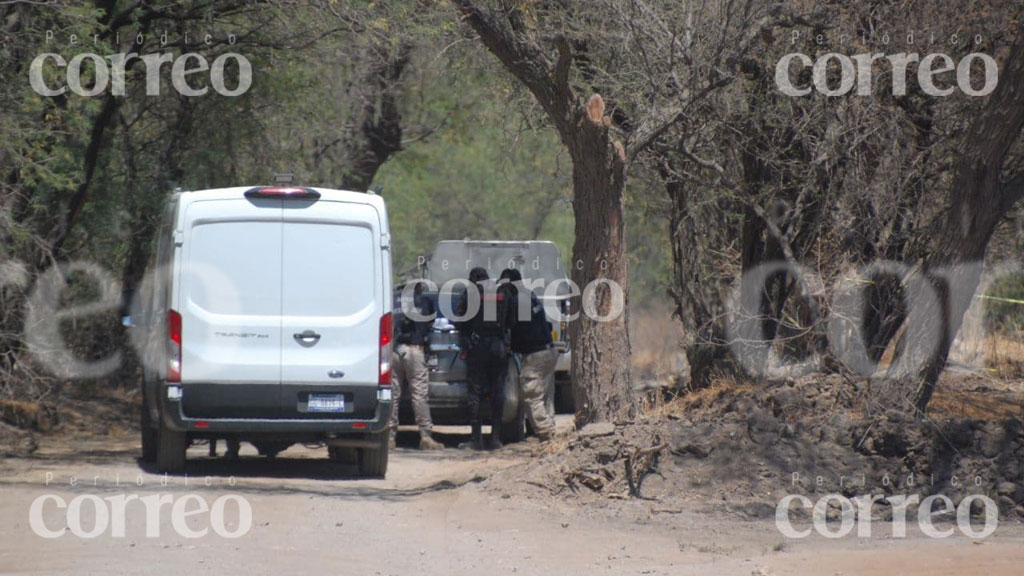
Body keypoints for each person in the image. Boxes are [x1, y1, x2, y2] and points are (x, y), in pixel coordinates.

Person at [456, 267, 515, 450]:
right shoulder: (503, 292)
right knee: (498, 391)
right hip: (499, 347)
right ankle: (495, 438)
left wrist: (467, 336)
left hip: (478, 347)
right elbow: (511, 321)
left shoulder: (471, 293)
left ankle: (476, 439)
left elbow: (460, 320)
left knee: (475, 392)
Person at [501, 268, 558, 442]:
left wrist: (509, 343)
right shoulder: (530, 296)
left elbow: (518, 330)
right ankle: (550, 432)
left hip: (536, 355)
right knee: (545, 395)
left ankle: (546, 434)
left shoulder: (518, 302)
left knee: (531, 394)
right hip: (548, 351)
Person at [390, 281, 444, 450]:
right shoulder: (424, 301)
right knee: (419, 394)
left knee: (392, 393)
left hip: (394, 351)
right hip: (415, 350)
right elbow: (430, 323)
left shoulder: (392, 302)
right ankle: (425, 435)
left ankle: (389, 436)